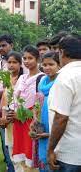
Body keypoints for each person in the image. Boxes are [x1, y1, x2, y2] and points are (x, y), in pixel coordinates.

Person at [47, 35, 81, 172]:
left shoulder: (65, 77)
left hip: (69, 154)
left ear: (61, 52)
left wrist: (50, 149)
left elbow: (61, 118)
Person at [13, 45, 43, 171]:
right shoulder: (22, 77)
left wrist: (27, 114)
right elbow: (15, 96)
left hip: (32, 119)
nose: (26, 61)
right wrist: (15, 112)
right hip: (18, 119)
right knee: (20, 154)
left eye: (30, 58)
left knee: (32, 151)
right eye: (24, 58)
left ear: (37, 59)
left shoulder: (41, 78)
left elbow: (39, 102)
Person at [30, 52, 60, 172]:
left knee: (55, 160)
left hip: (55, 125)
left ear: (59, 65)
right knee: (44, 160)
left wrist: (50, 134)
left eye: (51, 64)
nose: (47, 68)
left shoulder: (61, 82)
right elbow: (37, 102)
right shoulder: (42, 81)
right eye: (44, 64)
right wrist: (35, 119)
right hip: (42, 126)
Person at [0, 51, 24, 172]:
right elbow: (4, 99)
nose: (11, 65)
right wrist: (3, 117)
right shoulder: (7, 78)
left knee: (21, 154)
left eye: (15, 62)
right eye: (9, 62)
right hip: (8, 121)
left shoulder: (23, 80)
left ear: (20, 64)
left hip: (19, 120)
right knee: (11, 150)